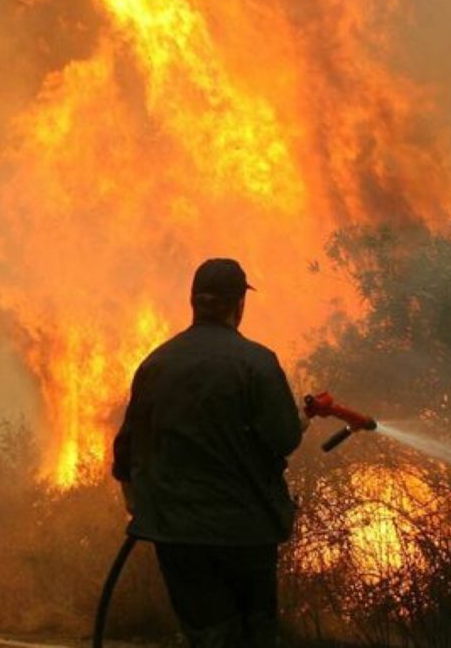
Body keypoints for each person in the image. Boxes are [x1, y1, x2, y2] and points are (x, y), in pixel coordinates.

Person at [112, 258, 304, 648]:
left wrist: (140, 505)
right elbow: (285, 438)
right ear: (239, 304)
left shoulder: (156, 363)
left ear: (193, 302)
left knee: (206, 635)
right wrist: (299, 421)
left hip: (178, 534)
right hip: (246, 531)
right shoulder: (257, 363)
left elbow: (128, 449)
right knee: (256, 635)